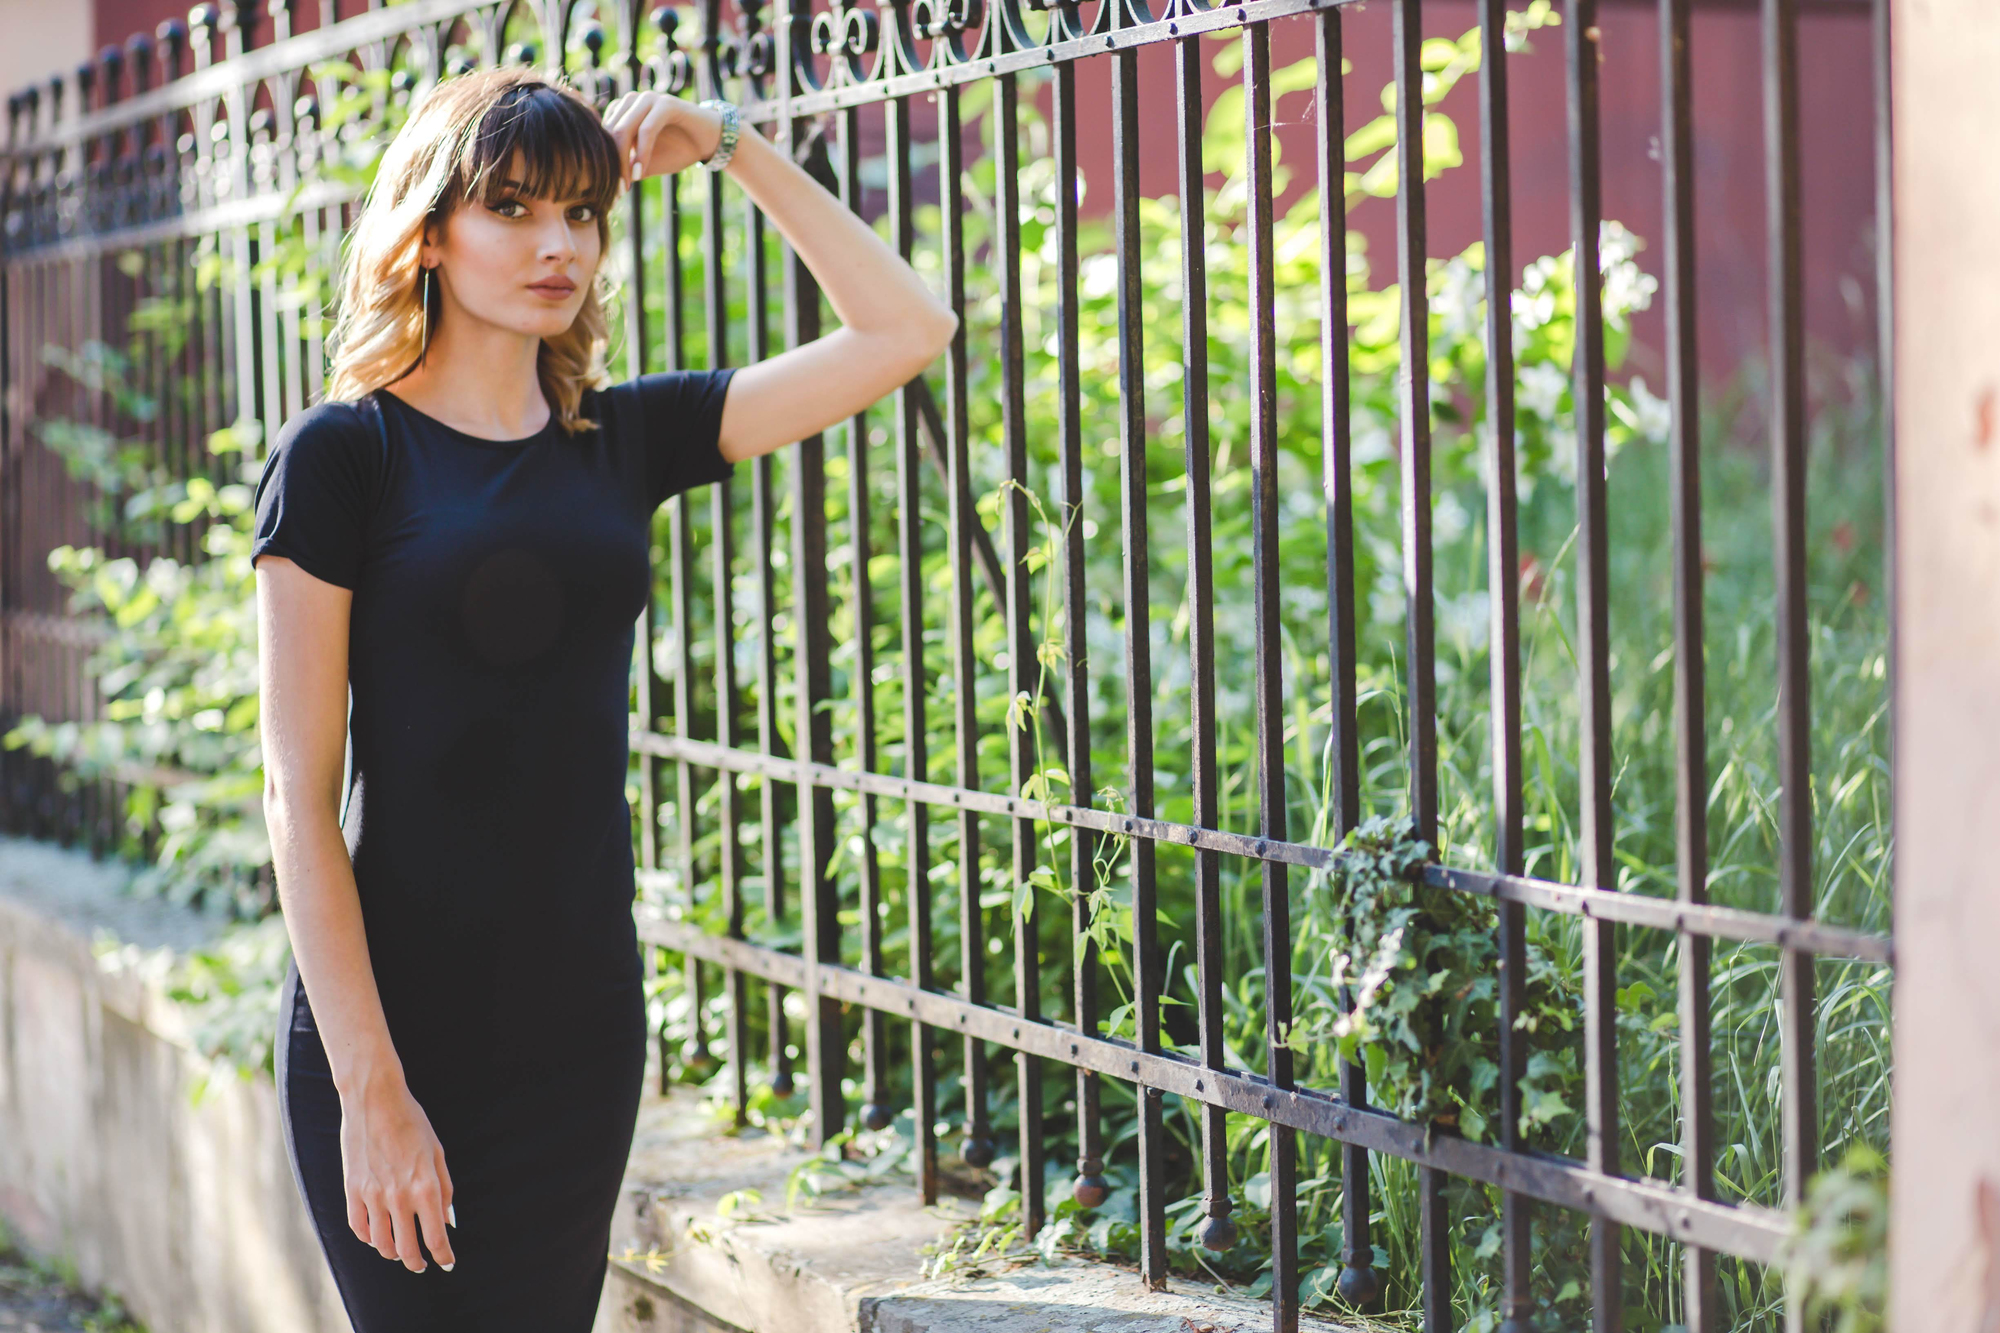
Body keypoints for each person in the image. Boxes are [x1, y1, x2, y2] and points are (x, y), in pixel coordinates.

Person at [251, 66, 955, 1333]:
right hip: (395, 1033)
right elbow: (297, 801)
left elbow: (903, 328)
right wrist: (372, 1090)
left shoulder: (624, 440)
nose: (556, 243)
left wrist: (731, 141)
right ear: (429, 230)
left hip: (577, 1030)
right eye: (513, 209)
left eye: (581, 211)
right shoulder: (344, 456)